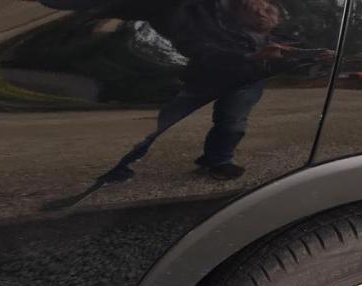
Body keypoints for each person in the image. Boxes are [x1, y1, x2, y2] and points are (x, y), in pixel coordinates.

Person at [40, 0, 294, 181]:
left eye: (269, 12)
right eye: (262, 6)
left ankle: (218, 161)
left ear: (272, 24)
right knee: (161, 121)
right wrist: (252, 56)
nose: (262, 11)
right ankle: (122, 164)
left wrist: (295, 58)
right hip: (206, 77)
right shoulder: (205, 17)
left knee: (233, 123)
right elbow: (200, 48)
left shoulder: (270, 39)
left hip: (246, 82)